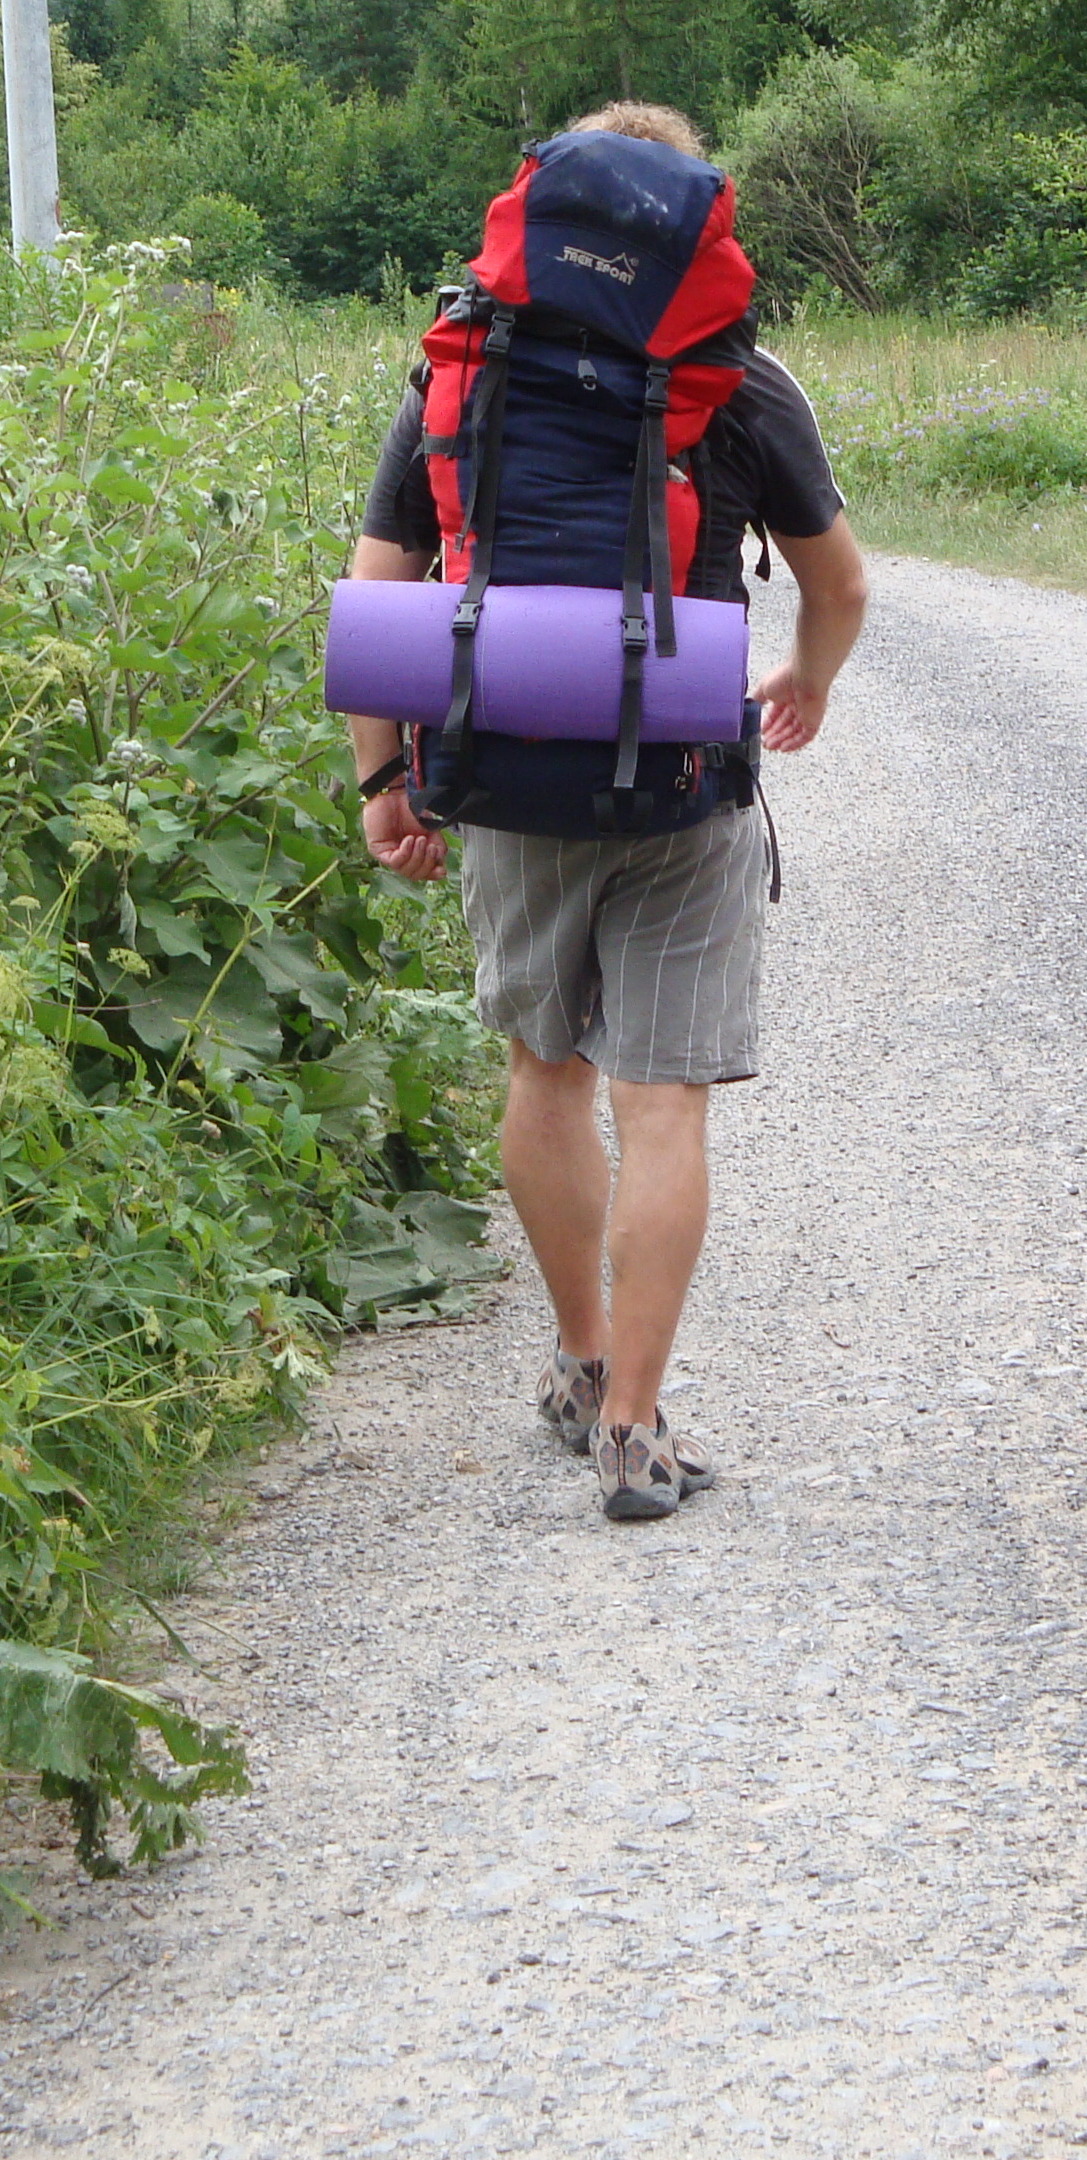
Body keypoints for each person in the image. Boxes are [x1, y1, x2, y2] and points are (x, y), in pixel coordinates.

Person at [339, 101, 869, 1522]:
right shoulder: (736, 377)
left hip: (506, 763)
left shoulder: (465, 361)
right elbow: (840, 584)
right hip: (685, 776)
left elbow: (379, 589)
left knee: (544, 1070)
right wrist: (805, 681)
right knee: (664, 1100)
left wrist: (385, 781)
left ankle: (580, 1363)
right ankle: (636, 1426)